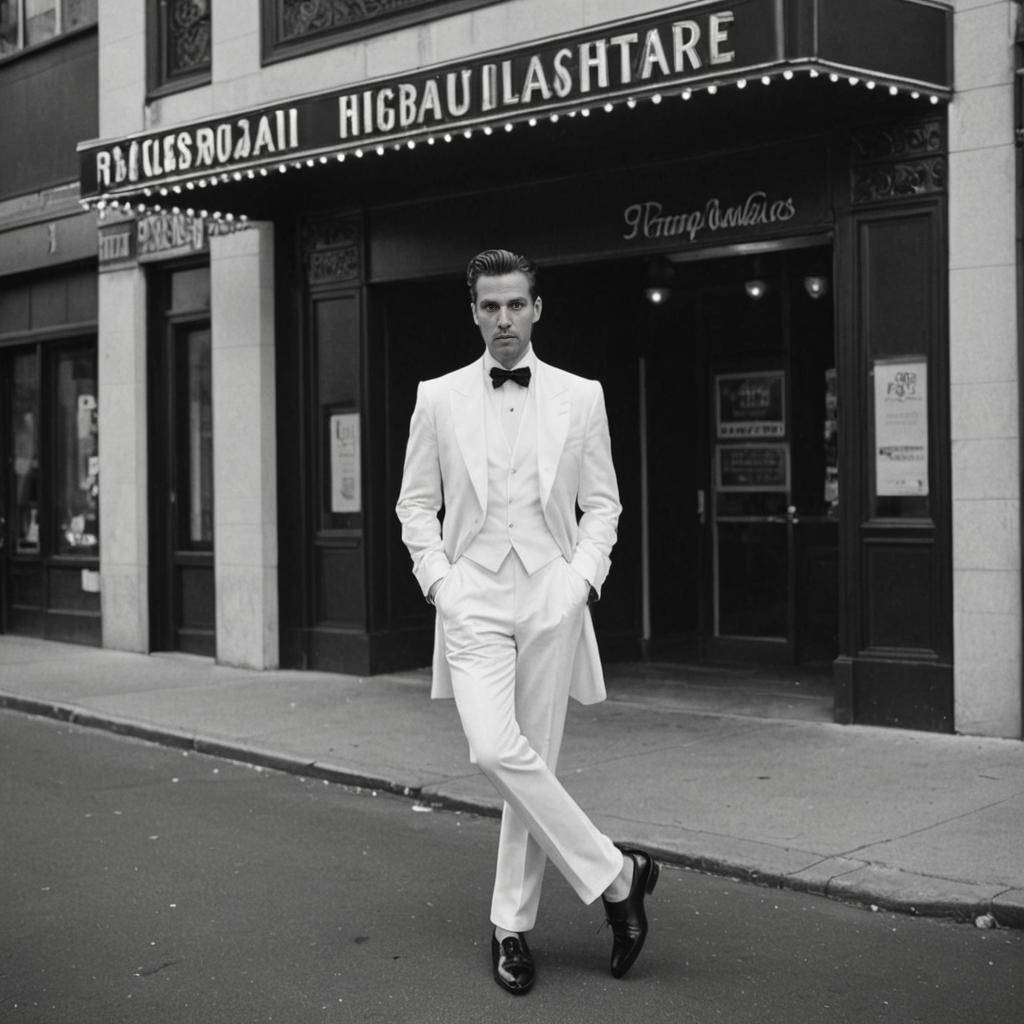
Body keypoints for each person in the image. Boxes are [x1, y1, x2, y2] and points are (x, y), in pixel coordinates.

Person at [396, 248, 658, 994]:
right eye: (489, 306)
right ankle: (616, 875)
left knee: (530, 760)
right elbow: (416, 503)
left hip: (550, 591)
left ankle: (510, 929)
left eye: (516, 305)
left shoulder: (582, 396)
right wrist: (441, 584)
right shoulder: (438, 397)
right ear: (473, 311)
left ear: (536, 308)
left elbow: (602, 503)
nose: (503, 320)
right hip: (471, 595)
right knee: (492, 748)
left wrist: (581, 582)